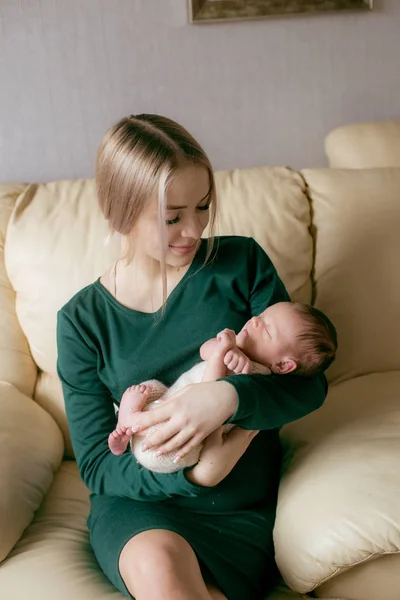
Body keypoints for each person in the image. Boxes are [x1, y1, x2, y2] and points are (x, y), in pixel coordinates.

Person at [56, 114, 327, 600]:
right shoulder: (81, 321)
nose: (194, 228)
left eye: (202, 207)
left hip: (238, 509)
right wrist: (193, 474)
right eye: (171, 216)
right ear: (119, 212)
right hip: (141, 505)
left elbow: (307, 383)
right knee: (161, 571)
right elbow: (97, 464)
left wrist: (227, 397)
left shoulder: (241, 264)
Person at [109, 302, 337, 473]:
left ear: (283, 365)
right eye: (261, 315)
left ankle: (130, 423)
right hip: (168, 398)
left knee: (164, 451)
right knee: (149, 389)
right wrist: (223, 347)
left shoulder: (254, 375)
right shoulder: (239, 344)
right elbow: (204, 351)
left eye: (266, 330)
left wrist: (221, 356)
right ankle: (127, 424)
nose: (255, 321)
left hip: (176, 439)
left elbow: (208, 393)